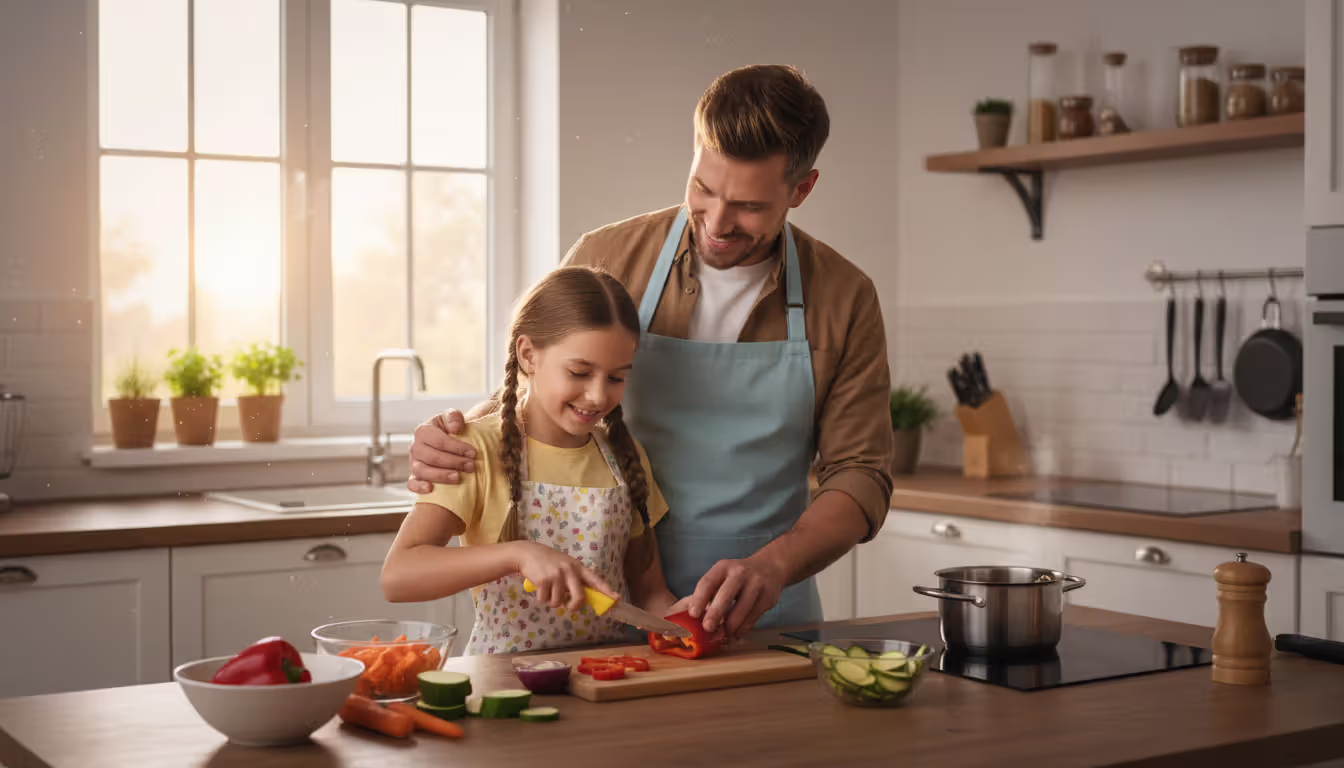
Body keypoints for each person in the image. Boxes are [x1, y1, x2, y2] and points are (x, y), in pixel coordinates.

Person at [407, 64, 894, 638]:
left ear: (801, 189)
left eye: (749, 207)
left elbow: (861, 474)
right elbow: (539, 386)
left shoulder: (843, 295)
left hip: (765, 616)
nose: (716, 222)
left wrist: (774, 565)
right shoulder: (608, 256)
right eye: (703, 190)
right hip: (614, 611)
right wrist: (455, 436)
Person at [381, 266, 678, 654]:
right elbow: (398, 577)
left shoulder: (625, 455)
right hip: (505, 682)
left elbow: (651, 591)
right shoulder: (477, 448)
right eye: (579, 372)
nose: (597, 396)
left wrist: (686, 624)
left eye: (616, 378)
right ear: (528, 355)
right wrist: (518, 553)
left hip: (609, 675)